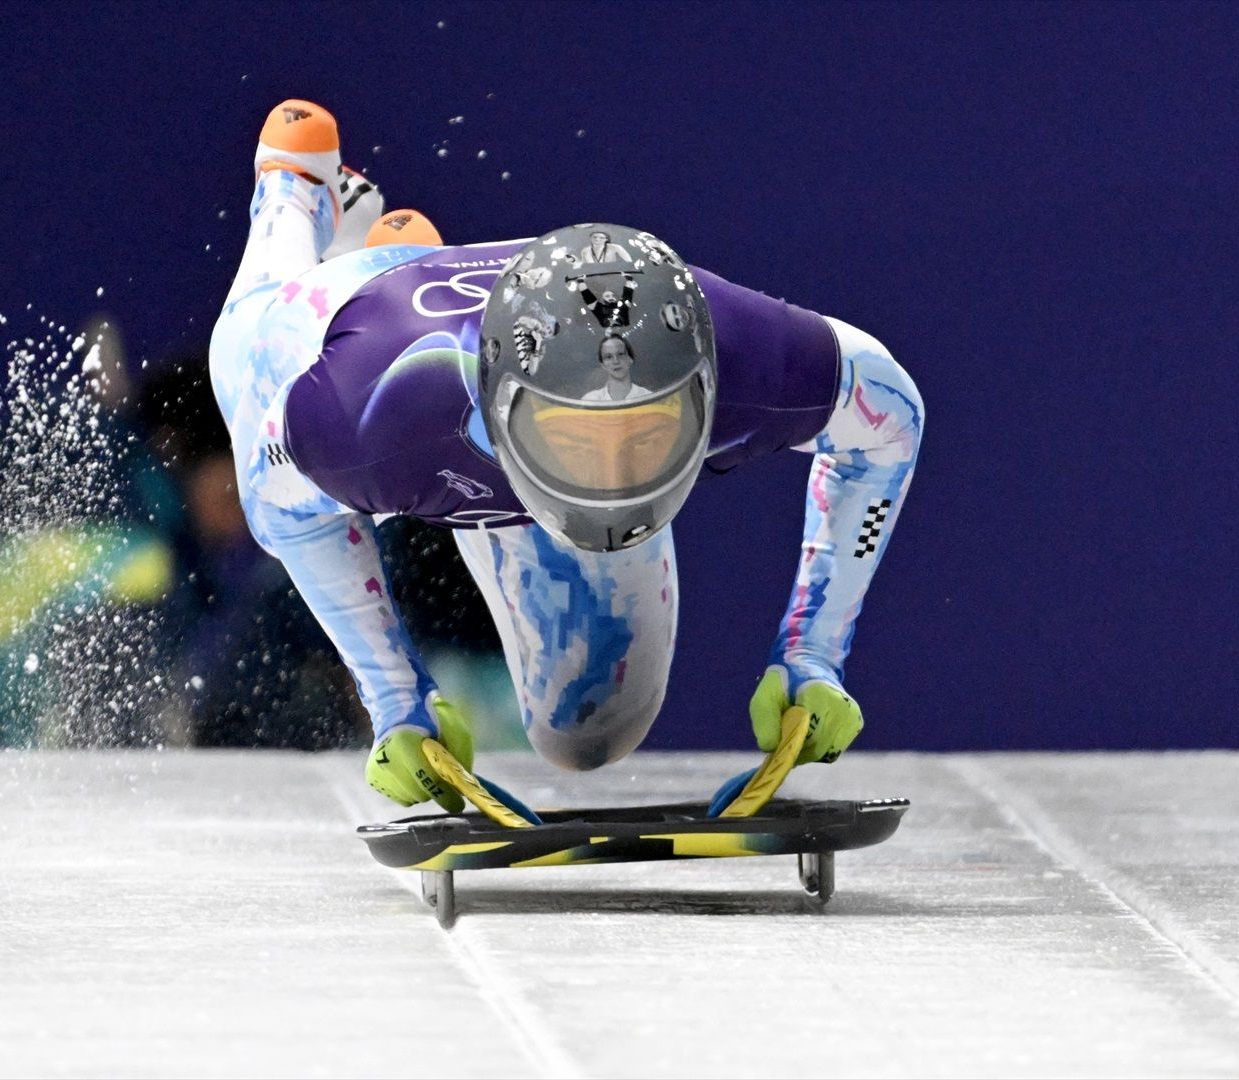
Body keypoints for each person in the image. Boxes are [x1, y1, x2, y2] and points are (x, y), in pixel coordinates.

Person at [210, 100, 923, 809]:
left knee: (589, 731)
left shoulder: (747, 352)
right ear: (498, 399)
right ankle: (294, 182)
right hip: (360, 328)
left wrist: (813, 653)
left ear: (706, 385)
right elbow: (287, 519)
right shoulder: (362, 412)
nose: (611, 486)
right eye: (577, 440)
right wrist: (393, 696)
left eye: (648, 436)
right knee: (239, 342)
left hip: (475, 406)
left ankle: (413, 252)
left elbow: (894, 422)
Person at [580, 334, 653, 402]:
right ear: (603, 365)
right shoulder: (590, 401)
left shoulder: (648, 397)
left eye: (620, 354)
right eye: (609, 357)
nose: (616, 361)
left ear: (630, 359)